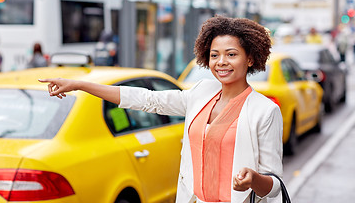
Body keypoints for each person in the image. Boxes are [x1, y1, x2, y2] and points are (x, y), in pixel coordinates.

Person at [39, 15, 283, 203]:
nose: (221, 62)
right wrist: (80, 84)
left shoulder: (264, 111)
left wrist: (253, 179)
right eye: (214, 55)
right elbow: (147, 99)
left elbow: (274, 186)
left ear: (250, 59)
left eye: (231, 54)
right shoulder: (201, 93)